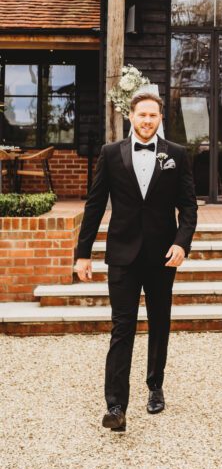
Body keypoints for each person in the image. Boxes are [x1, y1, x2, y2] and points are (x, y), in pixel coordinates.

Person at [74, 92, 197, 433]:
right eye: (141, 115)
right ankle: (116, 405)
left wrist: (181, 243)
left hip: (162, 255)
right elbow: (95, 205)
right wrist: (83, 254)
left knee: (159, 323)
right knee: (122, 327)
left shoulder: (177, 155)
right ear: (131, 116)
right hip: (123, 256)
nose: (147, 121)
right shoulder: (111, 154)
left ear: (160, 119)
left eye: (152, 116)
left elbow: (189, 207)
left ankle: (155, 385)